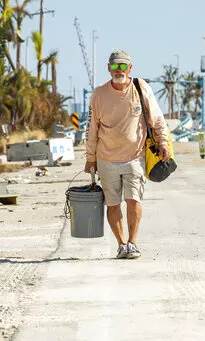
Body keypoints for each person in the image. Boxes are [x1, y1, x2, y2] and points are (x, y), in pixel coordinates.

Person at [84, 50, 170, 259]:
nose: (119, 70)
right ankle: (121, 244)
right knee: (112, 204)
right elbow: (92, 129)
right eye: (115, 66)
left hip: (135, 157)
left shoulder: (140, 88)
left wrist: (163, 142)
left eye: (123, 66)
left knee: (134, 200)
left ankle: (132, 243)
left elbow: (156, 118)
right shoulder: (98, 95)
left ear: (130, 68)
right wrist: (90, 158)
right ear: (108, 68)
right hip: (106, 159)